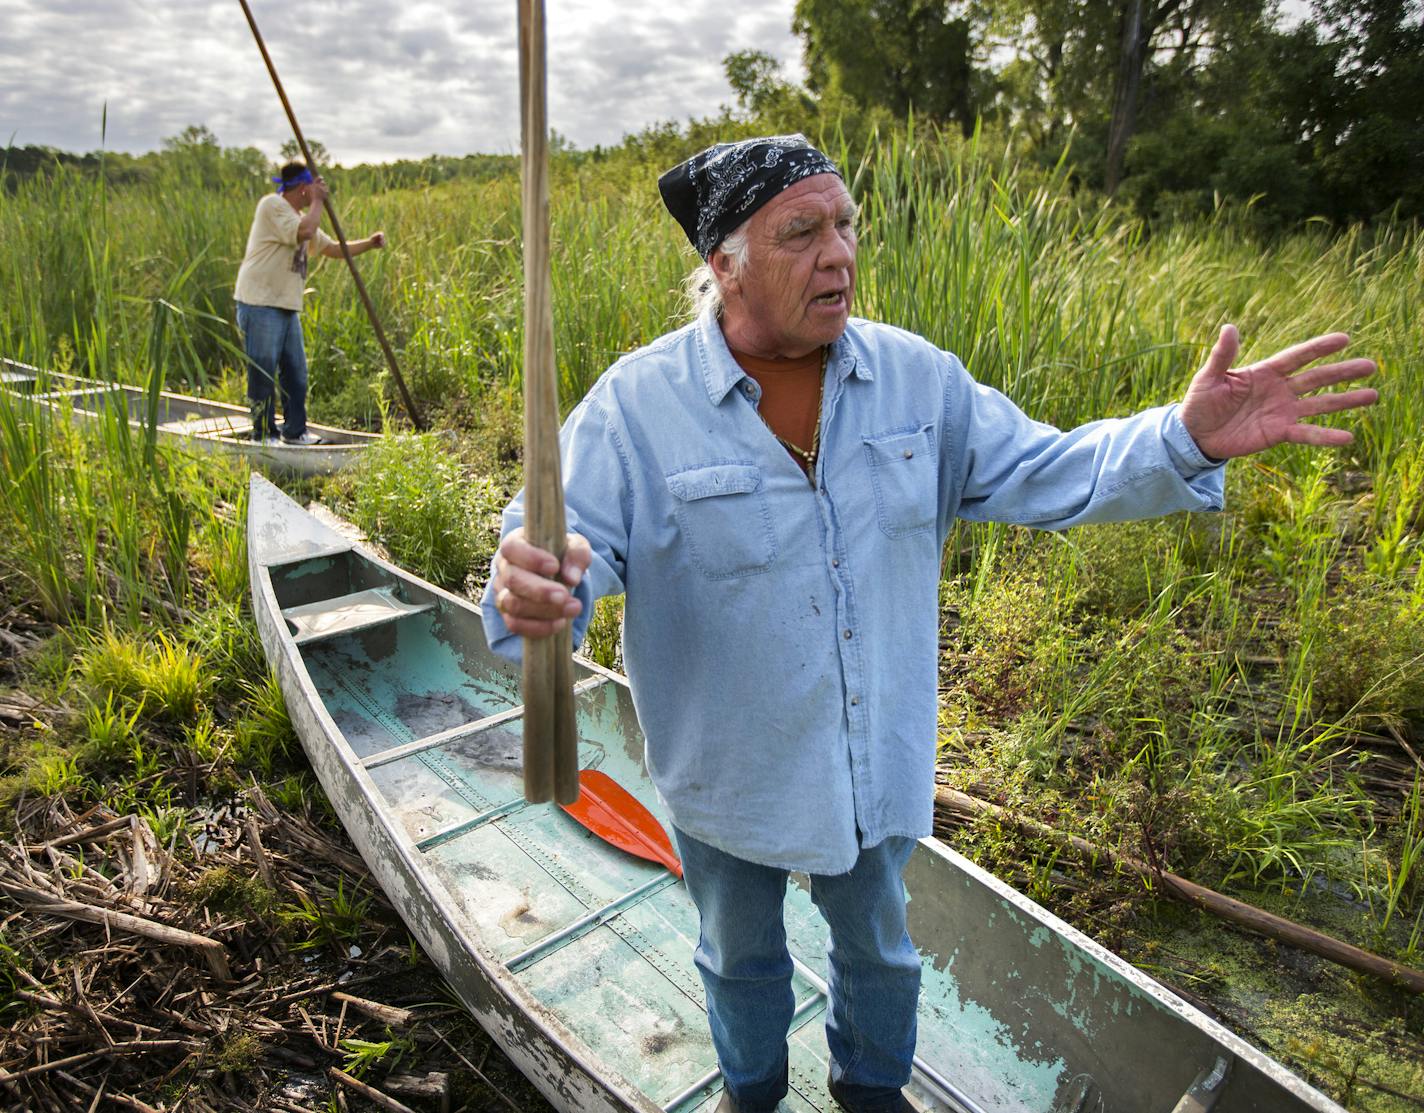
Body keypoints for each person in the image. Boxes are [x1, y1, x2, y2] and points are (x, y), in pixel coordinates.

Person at [481, 135, 1378, 1113]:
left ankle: (869, 1094)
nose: (839, 255)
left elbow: (1048, 470)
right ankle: (752, 1094)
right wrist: (535, 590)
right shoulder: (635, 407)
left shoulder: (916, 381)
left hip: (870, 762)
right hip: (725, 777)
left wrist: (1182, 436)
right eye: (801, 233)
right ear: (722, 264)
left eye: (844, 226)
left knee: (879, 952)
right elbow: (560, 547)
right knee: (738, 959)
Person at [233, 160, 385, 445]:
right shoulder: (273, 206)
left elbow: (332, 248)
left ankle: (294, 432)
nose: (318, 194)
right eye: (313, 189)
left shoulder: (301, 217)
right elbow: (304, 232)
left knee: (296, 373)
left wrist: (370, 243)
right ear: (303, 189)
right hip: (260, 302)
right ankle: (263, 435)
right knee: (263, 371)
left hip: (286, 306)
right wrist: (317, 201)